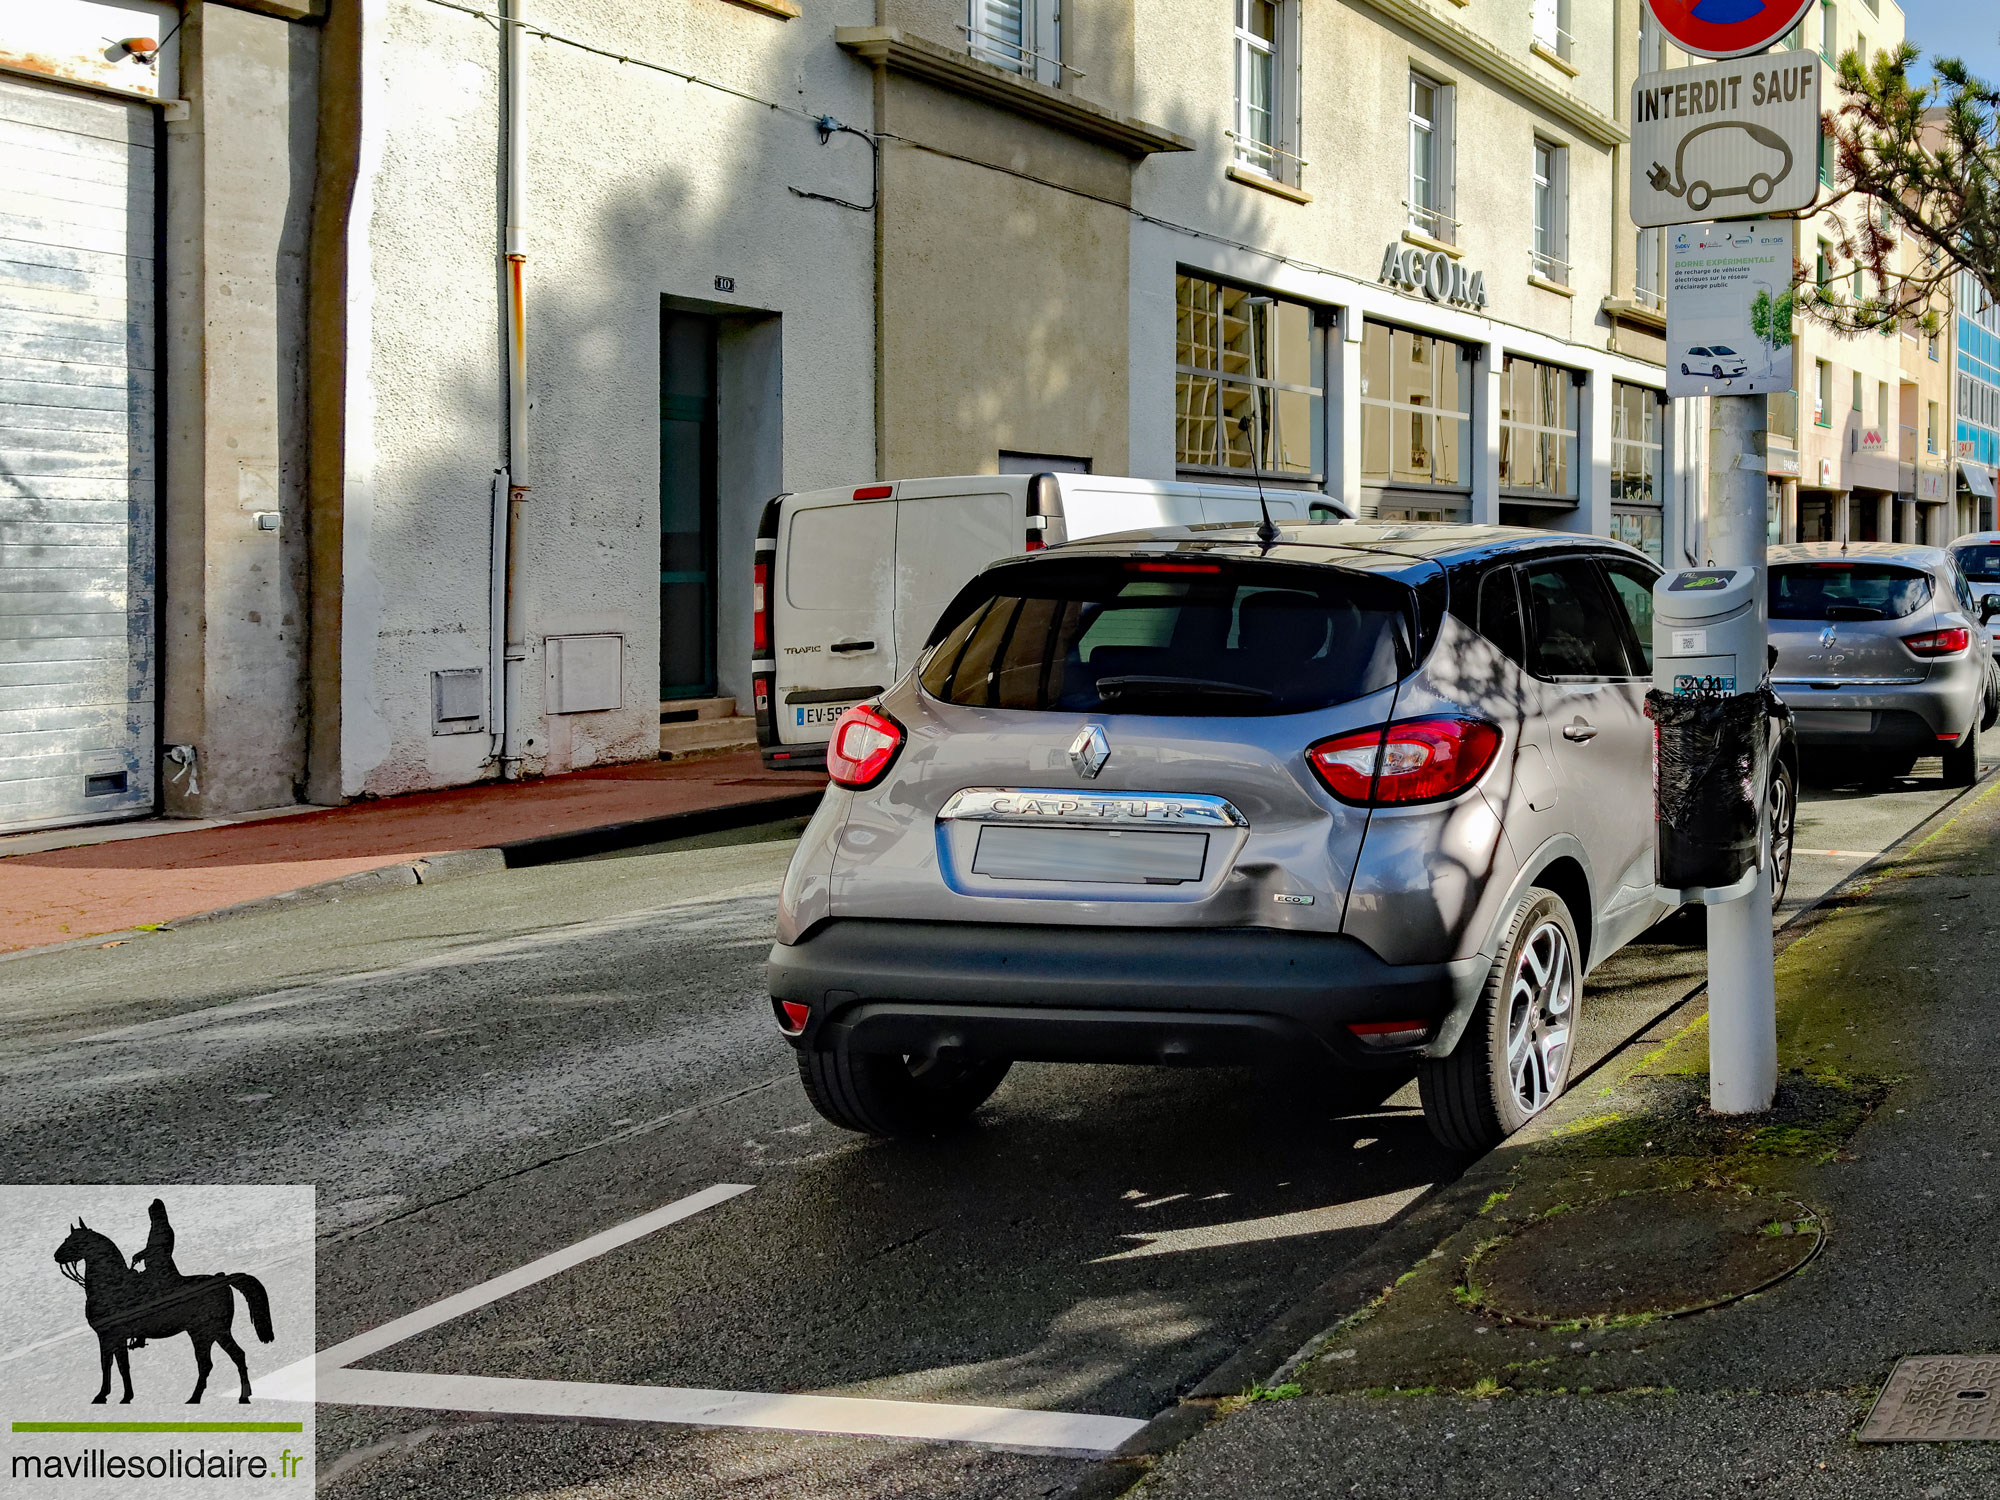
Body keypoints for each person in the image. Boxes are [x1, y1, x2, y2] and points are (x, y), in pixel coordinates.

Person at [125, 1199, 178, 1348]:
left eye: (154, 1215)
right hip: (154, 1268)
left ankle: (141, 1332)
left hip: (162, 1270)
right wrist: (142, 1254)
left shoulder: (164, 1229)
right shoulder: (156, 1229)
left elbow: (160, 1249)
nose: (152, 1217)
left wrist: (143, 1254)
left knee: (140, 1293)